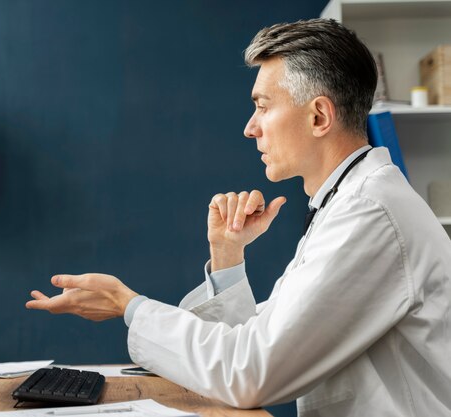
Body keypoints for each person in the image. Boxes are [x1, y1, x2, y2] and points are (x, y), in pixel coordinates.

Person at [25, 18, 451, 416]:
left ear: (319, 116)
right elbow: (260, 341)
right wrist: (227, 255)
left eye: (263, 106)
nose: (250, 127)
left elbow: (249, 373)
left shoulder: (369, 212)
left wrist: (128, 305)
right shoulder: (348, 201)